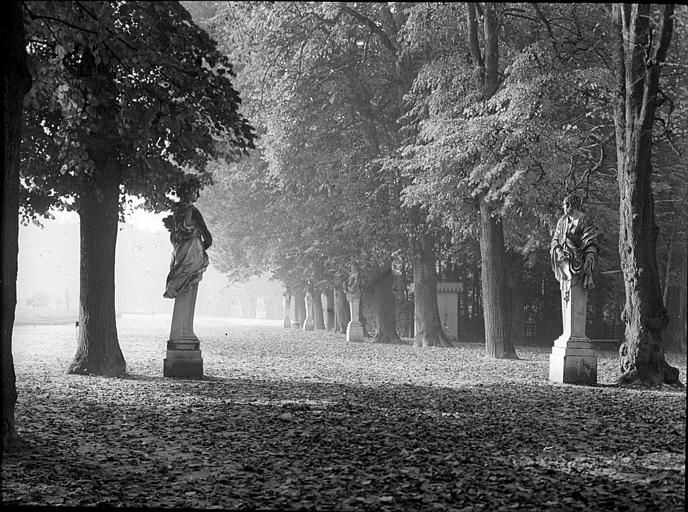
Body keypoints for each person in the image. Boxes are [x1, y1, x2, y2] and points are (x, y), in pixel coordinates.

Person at [163, 180, 212, 299]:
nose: (198, 195)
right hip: (193, 251)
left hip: (179, 251)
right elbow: (206, 235)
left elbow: (173, 237)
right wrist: (202, 247)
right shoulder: (193, 210)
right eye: (196, 192)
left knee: (178, 277)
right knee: (191, 276)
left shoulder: (177, 213)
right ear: (189, 192)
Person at [550, 193, 599, 302]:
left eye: (565, 205)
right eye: (564, 206)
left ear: (571, 205)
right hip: (564, 262)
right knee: (566, 296)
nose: (564, 208)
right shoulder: (562, 222)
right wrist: (559, 251)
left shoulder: (585, 221)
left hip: (579, 262)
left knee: (576, 299)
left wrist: (589, 259)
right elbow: (555, 239)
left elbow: (591, 243)